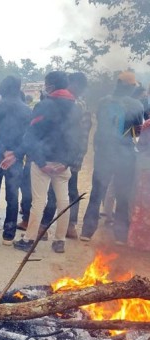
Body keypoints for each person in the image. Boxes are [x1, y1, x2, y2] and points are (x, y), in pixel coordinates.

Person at [2, 71, 79, 253]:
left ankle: (29, 240)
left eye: (46, 83)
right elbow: (78, 140)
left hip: (42, 163)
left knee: (38, 200)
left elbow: (32, 136)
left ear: (50, 85)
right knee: (63, 201)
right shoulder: (76, 108)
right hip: (62, 164)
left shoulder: (44, 105)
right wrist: (66, 163)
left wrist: (41, 161)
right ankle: (59, 242)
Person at [81, 71, 144, 244]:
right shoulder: (136, 105)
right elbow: (136, 132)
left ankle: (86, 232)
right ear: (131, 88)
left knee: (97, 193)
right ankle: (120, 236)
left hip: (104, 155)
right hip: (125, 157)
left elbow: (101, 127)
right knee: (123, 195)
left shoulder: (103, 102)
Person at [38, 72, 91, 239]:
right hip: (63, 154)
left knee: (66, 193)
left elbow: (81, 135)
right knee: (60, 193)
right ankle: (49, 227)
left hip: (69, 156)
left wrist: (76, 157)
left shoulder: (78, 105)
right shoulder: (66, 102)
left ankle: (63, 226)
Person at [0, 76, 31, 246]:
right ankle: (8, 236)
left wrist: (2, 151)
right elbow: (29, 137)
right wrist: (15, 154)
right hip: (15, 159)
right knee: (12, 196)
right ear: (19, 87)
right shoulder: (27, 110)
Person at [127, 119, 150, 251]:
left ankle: (137, 241)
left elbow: (139, 144)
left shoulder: (147, 124)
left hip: (145, 166)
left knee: (141, 203)